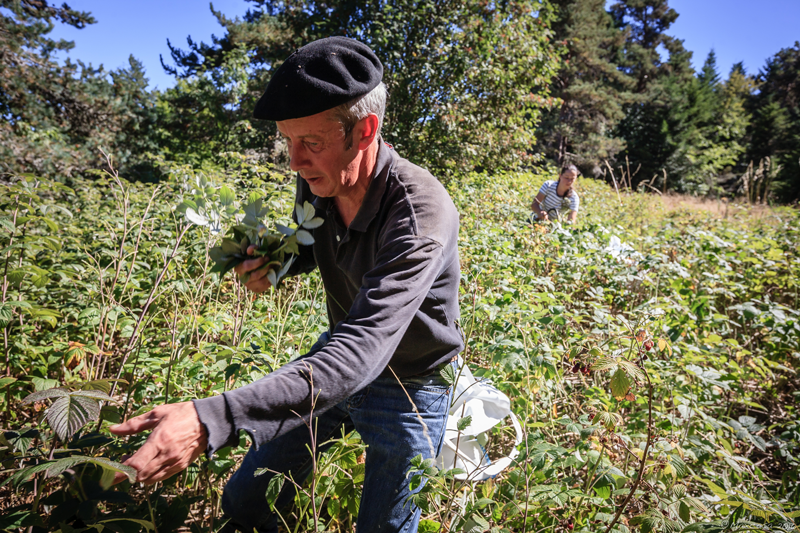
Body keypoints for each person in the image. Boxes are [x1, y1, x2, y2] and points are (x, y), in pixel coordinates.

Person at [109, 36, 463, 533]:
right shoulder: (324, 172)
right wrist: (276, 261)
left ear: (365, 131)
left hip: (409, 382)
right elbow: (315, 238)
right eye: (287, 141)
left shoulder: (420, 215)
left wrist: (214, 419)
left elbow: (364, 351)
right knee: (246, 500)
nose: (294, 161)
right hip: (337, 357)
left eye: (310, 144)